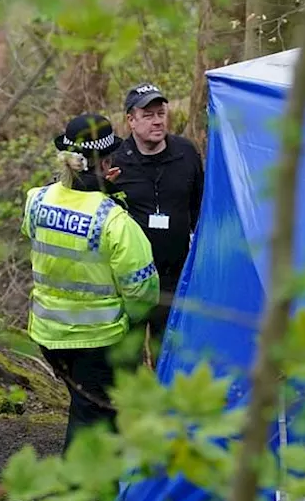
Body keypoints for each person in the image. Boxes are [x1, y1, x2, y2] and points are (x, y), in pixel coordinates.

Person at [23, 113, 161, 452]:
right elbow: (143, 291)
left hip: (48, 335)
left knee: (83, 407)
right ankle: (78, 500)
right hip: (98, 342)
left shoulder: (36, 201)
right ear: (108, 160)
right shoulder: (114, 221)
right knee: (91, 418)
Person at [111, 82, 204, 364]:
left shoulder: (186, 152)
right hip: (132, 281)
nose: (157, 121)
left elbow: (200, 208)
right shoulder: (116, 161)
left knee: (171, 355)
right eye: (148, 114)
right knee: (128, 360)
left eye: (161, 113)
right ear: (131, 119)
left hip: (175, 276)